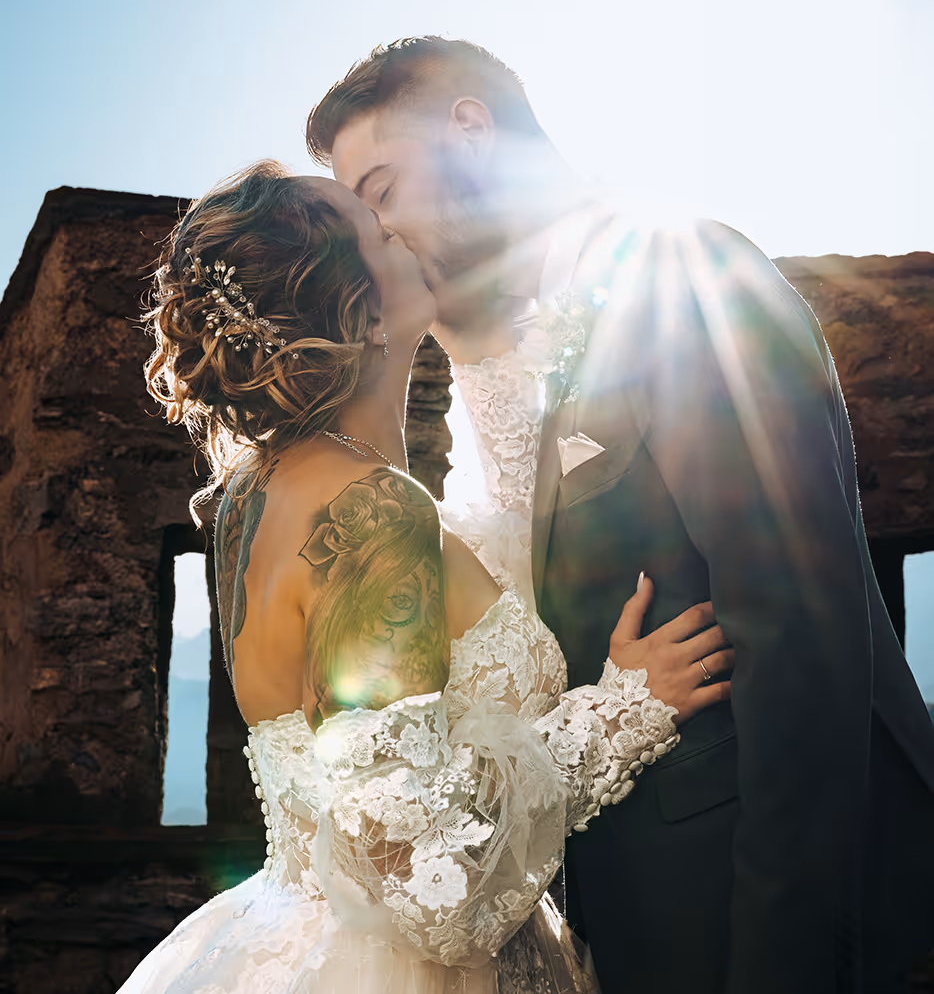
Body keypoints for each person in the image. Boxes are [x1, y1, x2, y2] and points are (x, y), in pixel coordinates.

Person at [306, 36, 934, 993]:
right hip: (635, 925)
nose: (381, 232)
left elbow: (801, 635)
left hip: (751, 914)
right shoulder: (516, 347)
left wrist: (784, 962)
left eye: (383, 191)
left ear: (470, 131)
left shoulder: (679, 273)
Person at [117, 160, 734, 994]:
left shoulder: (252, 495)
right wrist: (626, 709)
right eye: (380, 232)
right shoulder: (373, 511)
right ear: (365, 312)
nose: (404, 230)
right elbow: (422, 871)